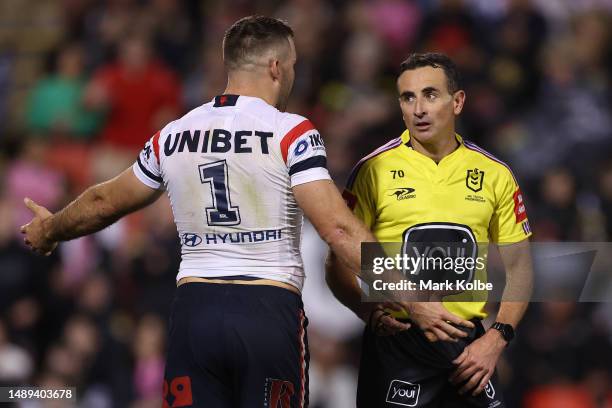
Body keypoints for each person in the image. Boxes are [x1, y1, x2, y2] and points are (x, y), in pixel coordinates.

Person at [20, 16, 396, 408]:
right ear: (275, 67)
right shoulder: (291, 132)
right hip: (265, 308)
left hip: (194, 311)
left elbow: (103, 203)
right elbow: (336, 228)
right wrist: (415, 298)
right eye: (294, 65)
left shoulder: (173, 133)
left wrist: (51, 229)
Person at [327, 52, 533, 407]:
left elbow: (520, 268)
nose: (418, 108)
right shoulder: (372, 170)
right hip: (398, 344)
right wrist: (368, 312)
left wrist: (496, 338)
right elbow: (336, 262)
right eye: (408, 97)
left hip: (471, 351)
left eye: (430, 94)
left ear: (458, 102)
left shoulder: (495, 173)